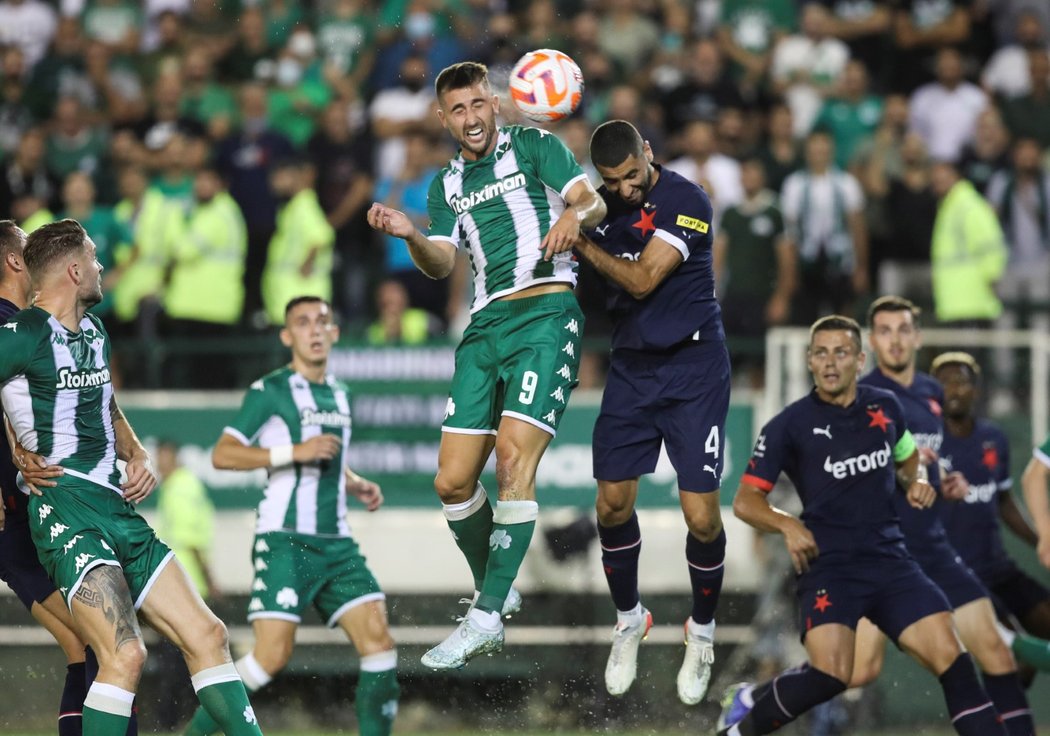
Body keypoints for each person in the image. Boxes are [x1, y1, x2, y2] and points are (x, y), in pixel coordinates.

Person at [367, 60, 606, 670]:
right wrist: (410, 235)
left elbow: (591, 200)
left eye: (479, 105)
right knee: (450, 482)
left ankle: (483, 612)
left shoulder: (534, 145)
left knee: (511, 459)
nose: (471, 119)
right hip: (484, 328)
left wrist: (573, 216)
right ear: (443, 119)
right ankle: (496, 593)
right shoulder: (443, 187)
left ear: (495, 104)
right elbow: (442, 263)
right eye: (458, 110)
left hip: (546, 314)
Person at [0, 219, 263, 736]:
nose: (101, 268)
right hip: (66, 512)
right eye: (95, 259)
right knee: (125, 655)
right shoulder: (23, 334)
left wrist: (136, 450)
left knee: (208, 633)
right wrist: (13, 446)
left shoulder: (95, 332)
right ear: (74, 271)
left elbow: (105, 404)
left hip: (119, 510)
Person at [718, 315, 1007, 736]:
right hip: (831, 568)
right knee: (833, 674)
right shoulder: (789, 425)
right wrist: (788, 525)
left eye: (841, 352)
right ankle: (737, 730)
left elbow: (908, 457)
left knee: (955, 659)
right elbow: (745, 500)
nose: (830, 362)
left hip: (892, 562)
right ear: (809, 361)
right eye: (821, 353)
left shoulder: (885, 408)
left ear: (859, 359)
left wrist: (919, 482)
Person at [183, 295, 399, 736]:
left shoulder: (340, 393)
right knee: (270, 658)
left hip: (336, 543)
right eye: (303, 323)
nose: (315, 330)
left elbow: (327, 457)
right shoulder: (272, 391)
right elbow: (224, 455)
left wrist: (352, 481)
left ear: (335, 332)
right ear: (287, 336)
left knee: (380, 643)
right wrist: (293, 452)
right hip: (285, 540)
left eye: (323, 321)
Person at [570, 120, 730, 705]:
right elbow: (568, 205)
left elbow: (641, 280)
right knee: (611, 505)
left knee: (702, 518)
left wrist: (580, 240)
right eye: (613, 180)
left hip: (694, 370)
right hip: (633, 367)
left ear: (649, 156)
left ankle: (702, 632)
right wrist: (570, 215)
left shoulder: (689, 201)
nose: (626, 190)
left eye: (633, 176)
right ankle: (630, 619)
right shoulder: (597, 201)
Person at [849, 296, 1033, 735]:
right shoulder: (865, 397)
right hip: (884, 554)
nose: (895, 340)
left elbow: (927, 461)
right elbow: (858, 468)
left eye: (903, 330)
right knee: (855, 671)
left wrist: (944, 477)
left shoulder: (931, 394)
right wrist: (904, 473)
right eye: (885, 331)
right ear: (873, 341)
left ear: (917, 337)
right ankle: (748, 701)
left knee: (996, 654)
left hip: (932, 550)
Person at [0, 220, 98, 736]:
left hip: (30, 513)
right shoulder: (9, 328)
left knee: (87, 650)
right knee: (111, 646)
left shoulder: (42, 325)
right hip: (16, 519)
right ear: (17, 261)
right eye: (25, 241)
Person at [933, 351, 1050, 671]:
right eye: (944, 383)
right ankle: (999, 717)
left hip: (1000, 568)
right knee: (1011, 659)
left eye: (962, 381)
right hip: (959, 575)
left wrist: (1040, 539)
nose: (954, 389)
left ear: (977, 390)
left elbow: (1004, 501)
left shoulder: (993, 438)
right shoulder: (924, 445)